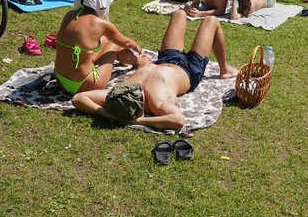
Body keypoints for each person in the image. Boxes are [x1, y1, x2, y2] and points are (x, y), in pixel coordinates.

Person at [71, 10, 238, 130]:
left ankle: (187, 13)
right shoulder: (156, 102)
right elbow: (178, 120)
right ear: (141, 106)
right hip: (189, 70)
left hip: (165, 60)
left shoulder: (115, 96)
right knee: (211, 21)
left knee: (179, 13)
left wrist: (105, 114)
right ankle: (225, 69)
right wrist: (139, 121)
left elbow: (78, 98)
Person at [53, 0, 143, 95]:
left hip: (61, 80)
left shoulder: (70, 15)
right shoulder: (101, 24)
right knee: (114, 43)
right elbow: (125, 42)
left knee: (104, 40)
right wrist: (135, 44)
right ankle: (137, 62)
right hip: (86, 83)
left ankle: (125, 60)